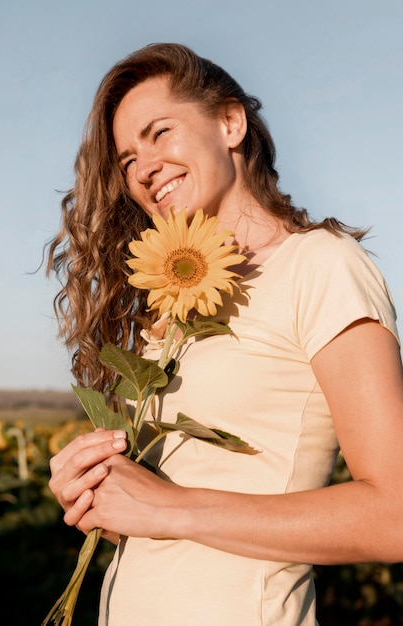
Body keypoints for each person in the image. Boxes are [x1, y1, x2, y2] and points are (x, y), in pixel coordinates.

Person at [46, 43, 403, 626]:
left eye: (160, 133)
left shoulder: (320, 265)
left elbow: (396, 515)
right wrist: (99, 499)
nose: (143, 169)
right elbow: (180, 527)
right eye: (127, 159)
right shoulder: (175, 299)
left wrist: (173, 508)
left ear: (230, 123)